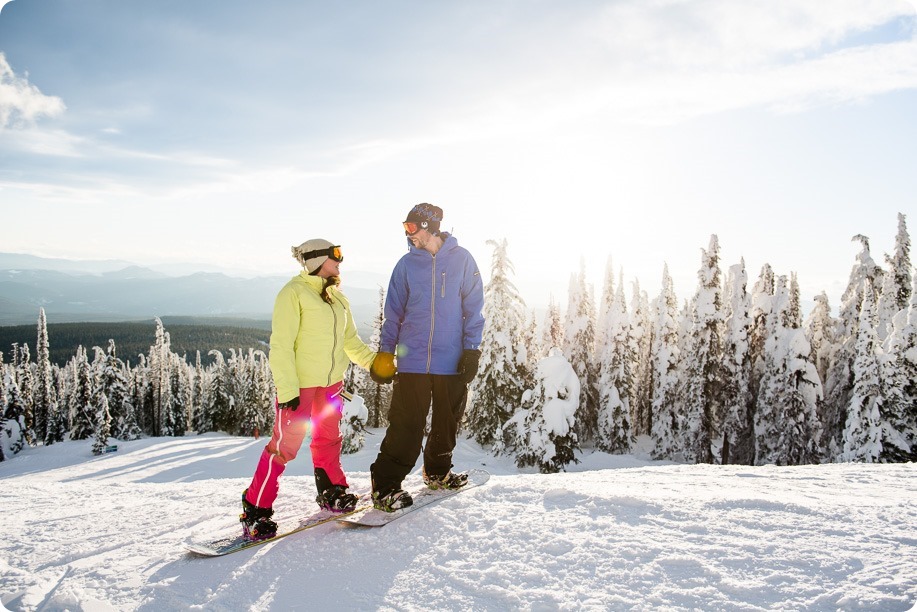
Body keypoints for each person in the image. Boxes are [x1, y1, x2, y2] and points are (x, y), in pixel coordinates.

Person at [240, 238, 393, 539]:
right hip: (299, 387)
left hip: (331, 384)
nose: (340, 262)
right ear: (316, 261)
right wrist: (287, 390)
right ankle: (255, 509)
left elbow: (350, 341)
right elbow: (281, 346)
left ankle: (332, 491)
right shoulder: (293, 294)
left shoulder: (337, 298)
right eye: (335, 256)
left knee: (328, 439)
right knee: (284, 448)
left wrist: (374, 363)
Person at [369, 204, 485, 511]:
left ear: (429, 227)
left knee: (447, 423)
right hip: (413, 361)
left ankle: (438, 472)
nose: (408, 235)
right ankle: (385, 486)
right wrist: (385, 354)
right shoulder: (406, 265)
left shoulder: (462, 260)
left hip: (452, 360)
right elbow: (392, 315)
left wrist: (472, 350)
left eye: (411, 228)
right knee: (406, 425)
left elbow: (474, 310)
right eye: (405, 228)